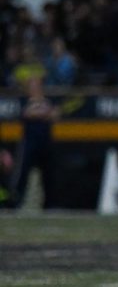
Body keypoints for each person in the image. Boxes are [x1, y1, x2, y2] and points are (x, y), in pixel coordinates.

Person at [8, 78, 58, 209]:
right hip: (29, 142)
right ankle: (16, 202)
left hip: (46, 142)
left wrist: (41, 111)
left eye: (37, 86)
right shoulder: (24, 100)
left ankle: (49, 204)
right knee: (23, 173)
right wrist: (42, 112)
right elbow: (27, 114)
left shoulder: (48, 100)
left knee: (48, 174)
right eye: (33, 86)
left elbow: (54, 115)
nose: (35, 89)